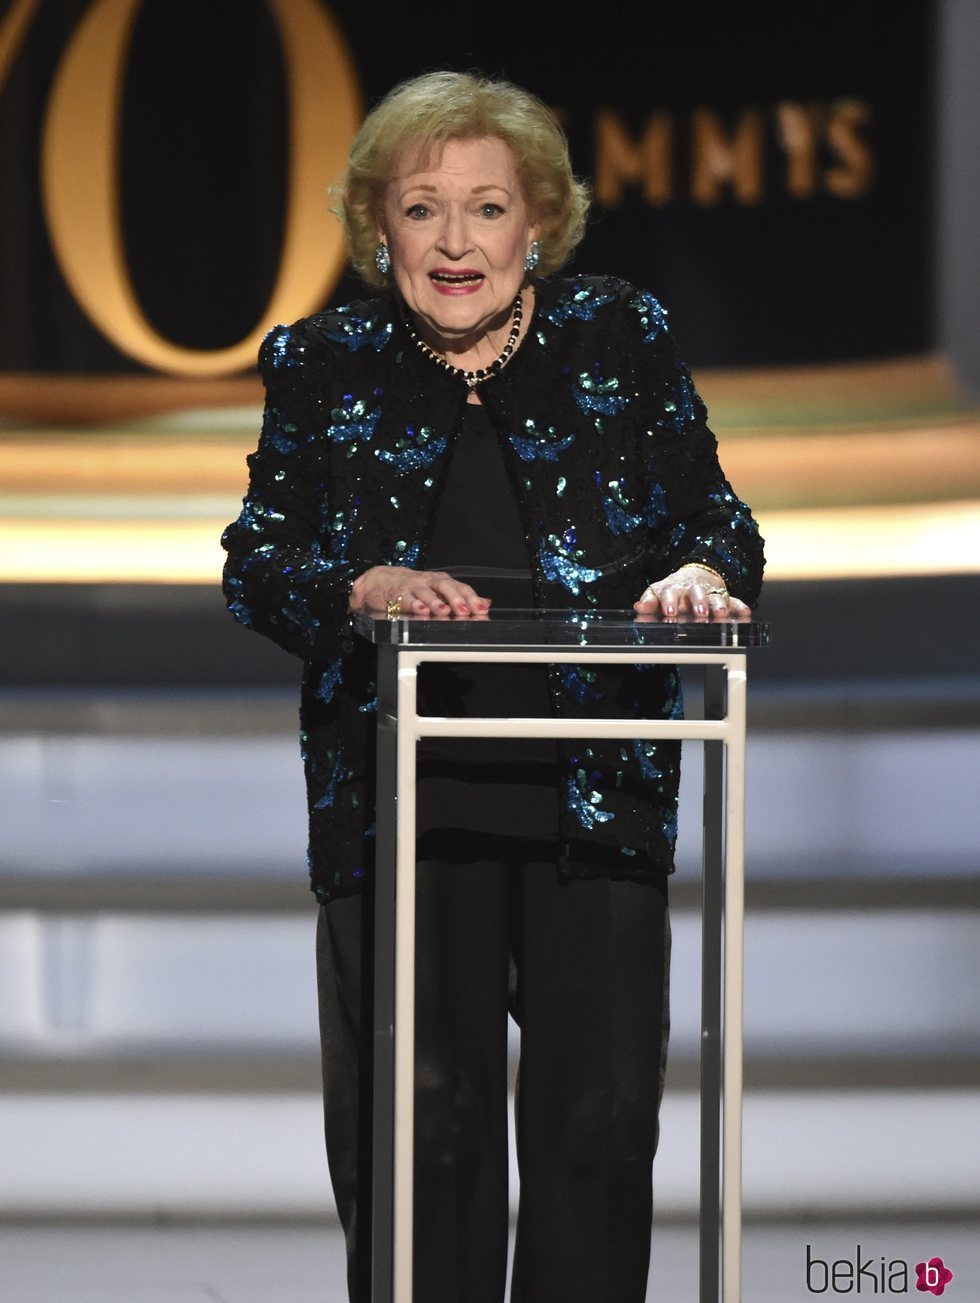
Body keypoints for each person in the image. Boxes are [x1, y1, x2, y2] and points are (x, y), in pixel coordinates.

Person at [221, 70, 764, 1303]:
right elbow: (260, 562)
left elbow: (718, 527)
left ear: (539, 225)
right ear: (379, 229)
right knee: (425, 1139)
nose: (455, 242)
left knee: (595, 1132)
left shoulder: (616, 334)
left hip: (591, 801)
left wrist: (694, 570)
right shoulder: (324, 360)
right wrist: (359, 586)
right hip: (402, 811)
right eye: (422, 209)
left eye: (485, 207)